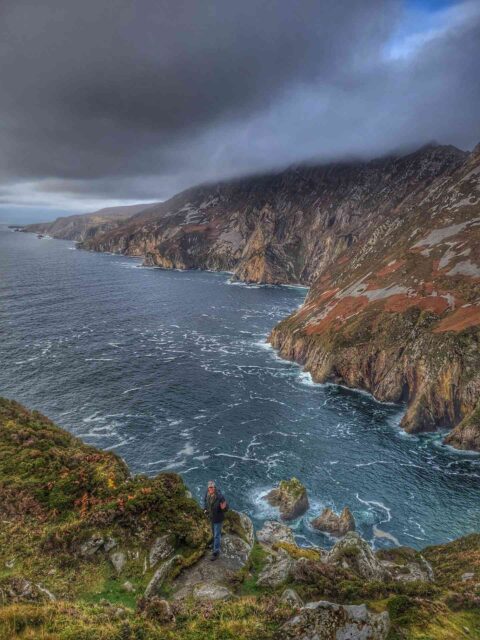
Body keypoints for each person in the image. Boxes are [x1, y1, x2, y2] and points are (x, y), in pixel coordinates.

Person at [204, 480, 228, 560]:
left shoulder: (220, 496)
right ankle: (215, 544)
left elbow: (226, 507)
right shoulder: (207, 493)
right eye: (209, 487)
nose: (210, 489)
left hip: (218, 518)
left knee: (217, 535)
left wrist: (224, 508)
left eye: (212, 487)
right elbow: (205, 501)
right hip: (211, 517)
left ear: (214, 488)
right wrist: (205, 509)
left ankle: (216, 552)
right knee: (214, 533)